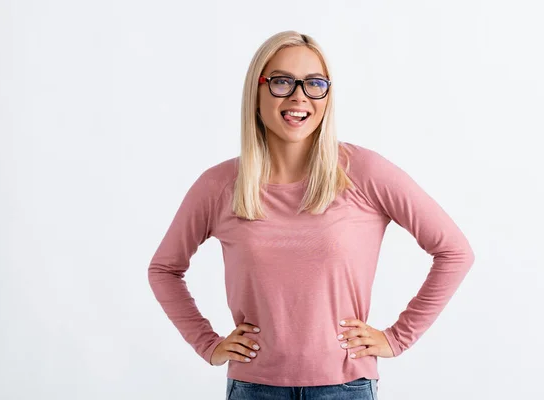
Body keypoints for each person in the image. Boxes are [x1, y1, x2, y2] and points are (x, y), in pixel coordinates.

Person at [147, 30, 475, 400]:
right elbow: (164, 269)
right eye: (282, 81)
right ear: (256, 93)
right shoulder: (220, 185)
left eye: (314, 83)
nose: (299, 96)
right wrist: (208, 344)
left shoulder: (363, 172)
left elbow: (454, 251)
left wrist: (397, 338)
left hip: (346, 387)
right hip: (254, 388)